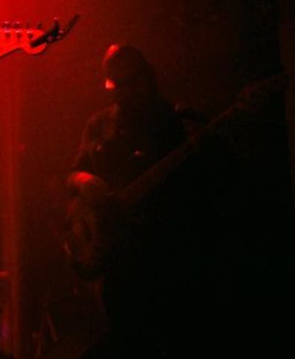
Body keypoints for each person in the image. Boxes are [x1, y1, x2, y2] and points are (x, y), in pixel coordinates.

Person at [64, 44, 225, 358]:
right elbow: (72, 176)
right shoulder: (99, 124)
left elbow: (211, 187)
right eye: (117, 85)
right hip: (118, 262)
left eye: (131, 82)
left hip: (168, 257)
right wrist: (85, 181)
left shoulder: (177, 122)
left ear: (147, 77)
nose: (125, 92)